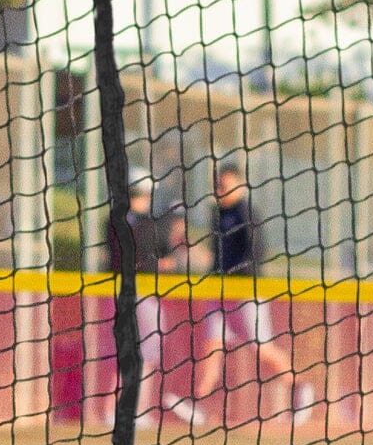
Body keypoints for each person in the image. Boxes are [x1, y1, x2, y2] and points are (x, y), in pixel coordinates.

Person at [193, 160, 315, 425]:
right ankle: (201, 403)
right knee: (211, 345)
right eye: (217, 184)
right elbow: (218, 255)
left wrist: (234, 277)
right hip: (219, 291)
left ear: (238, 184)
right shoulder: (216, 213)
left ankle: (299, 385)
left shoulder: (247, 212)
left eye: (224, 184)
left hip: (246, 291)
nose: (219, 189)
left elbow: (256, 254)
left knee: (260, 347)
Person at [112, 169, 201, 427]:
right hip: (141, 294)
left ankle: (131, 410)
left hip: (132, 293)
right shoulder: (141, 223)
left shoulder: (134, 220)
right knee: (142, 353)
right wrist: (163, 262)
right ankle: (131, 410)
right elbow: (143, 259)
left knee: (138, 352)